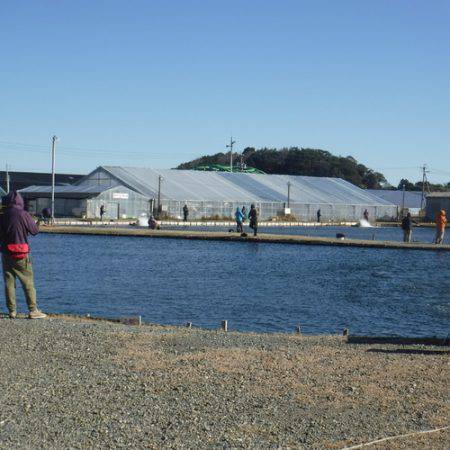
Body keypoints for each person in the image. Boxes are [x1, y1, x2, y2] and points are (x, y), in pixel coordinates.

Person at [0, 192, 46, 319]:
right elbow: (34, 231)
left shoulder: (2, 215)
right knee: (28, 283)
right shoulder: (23, 214)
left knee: (9, 283)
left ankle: (12, 311)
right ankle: (33, 310)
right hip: (22, 255)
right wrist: (39, 222)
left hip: (6, 254)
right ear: (20, 202)